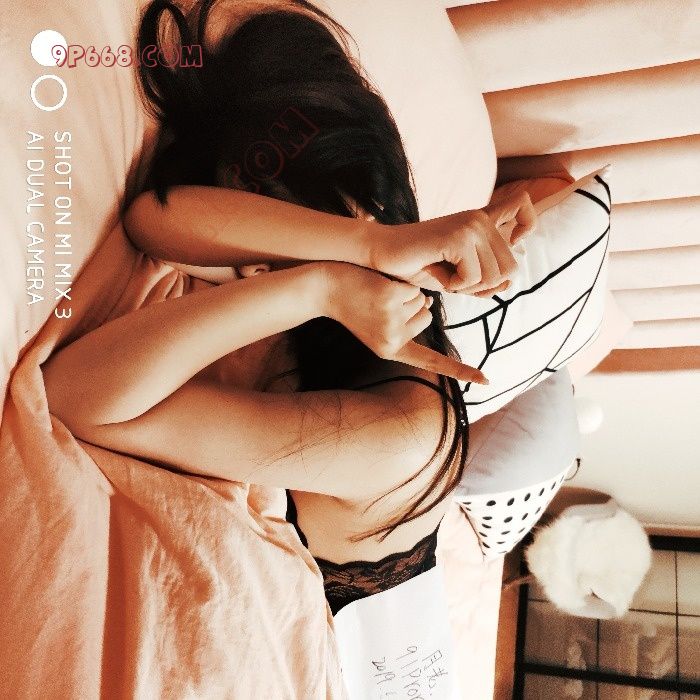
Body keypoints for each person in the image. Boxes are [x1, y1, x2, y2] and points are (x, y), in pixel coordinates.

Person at [42, 0, 536, 614]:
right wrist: (360, 253)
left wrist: (317, 285)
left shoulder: (396, 439)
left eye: (269, 261)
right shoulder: (363, 251)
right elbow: (156, 222)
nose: (248, 271)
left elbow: (71, 399)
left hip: (357, 599)